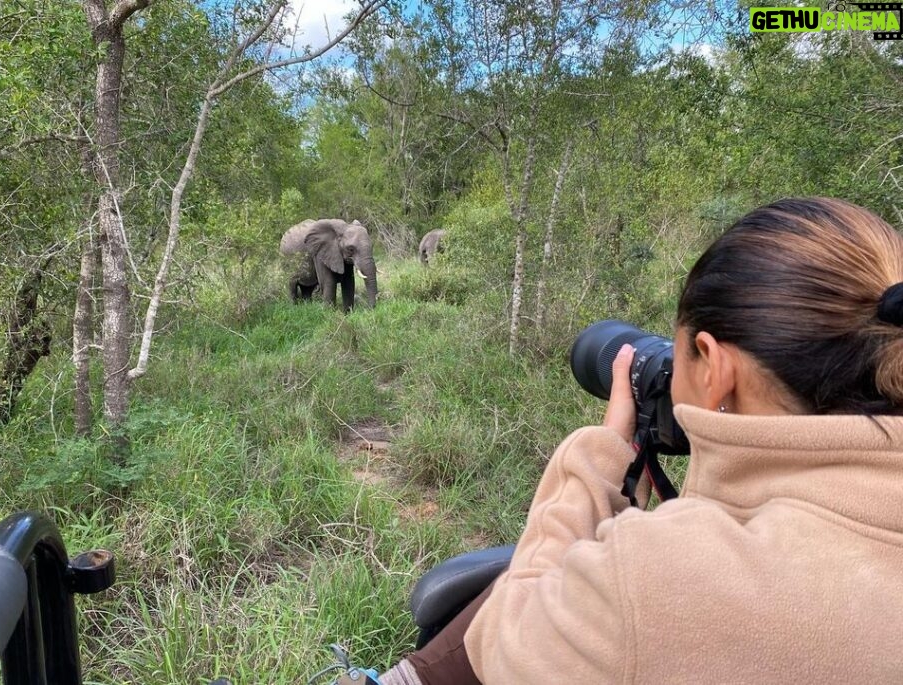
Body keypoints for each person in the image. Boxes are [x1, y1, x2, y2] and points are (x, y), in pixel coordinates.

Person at [365, 196, 903, 684]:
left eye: (680, 355)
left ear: (715, 366)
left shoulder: (657, 577)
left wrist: (599, 455)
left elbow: (508, 643)